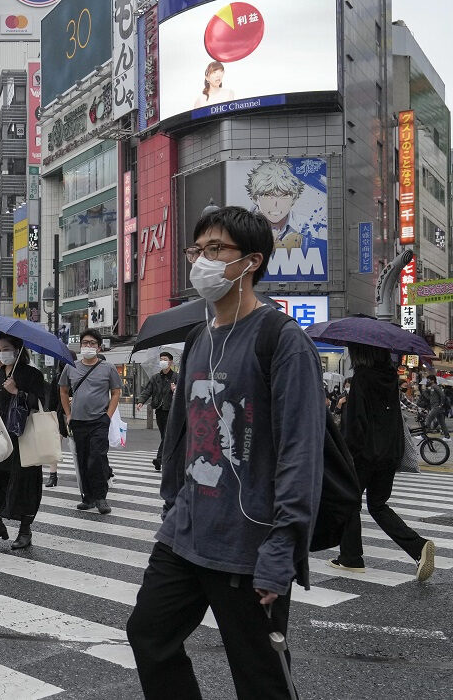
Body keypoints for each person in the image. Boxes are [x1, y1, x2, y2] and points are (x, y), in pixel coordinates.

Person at [126, 205, 325, 699]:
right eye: (198, 250)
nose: (202, 262)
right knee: (148, 633)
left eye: (216, 250)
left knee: (259, 677)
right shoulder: (198, 338)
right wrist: (172, 502)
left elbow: (301, 453)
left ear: (250, 261)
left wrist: (284, 546)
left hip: (248, 546)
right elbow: (180, 433)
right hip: (186, 532)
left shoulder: (282, 340)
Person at [330, 343, 436, 580]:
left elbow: (357, 425)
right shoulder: (389, 378)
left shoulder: (361, 379)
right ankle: (417, 546)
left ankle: (351, 557)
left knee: (349, 502)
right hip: (389, 452)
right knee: (377, 505)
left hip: (364, 455)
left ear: (361, 353)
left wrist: (344, 412)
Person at [0, 333, 45, 550]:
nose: (1, 352)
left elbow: (43, 402)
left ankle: (25, 530)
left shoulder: (32, 374)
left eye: (6, 348)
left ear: (17, 349)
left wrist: (17, 392)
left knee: (25, 482)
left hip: (24, 438)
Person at [58, 328, 122, 515]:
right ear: (80, 346)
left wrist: (108, 415)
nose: (88, 346)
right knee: (83, 459)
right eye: (85, 343)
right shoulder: (71, 367)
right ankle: (88, 497)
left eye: (92, 343)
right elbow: (63, 390)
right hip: (78, 421)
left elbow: (116, 391)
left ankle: (101, 497)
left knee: (97, 458)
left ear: (99, 347)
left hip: (99, 420)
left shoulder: (108, 368)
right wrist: (68, 414)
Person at [136, 352, 177, 472]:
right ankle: (166, 459)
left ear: (170, 362)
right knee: (165, 435)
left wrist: (175, 390)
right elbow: (147, 390)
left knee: (167, 435)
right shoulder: (155, 378)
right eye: (161, 359)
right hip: (160, 411)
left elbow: (184, 393)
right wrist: (141, 401)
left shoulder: (177, 377)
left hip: (172, 410)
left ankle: (159, 460)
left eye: (165, 359)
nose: (162, 362)